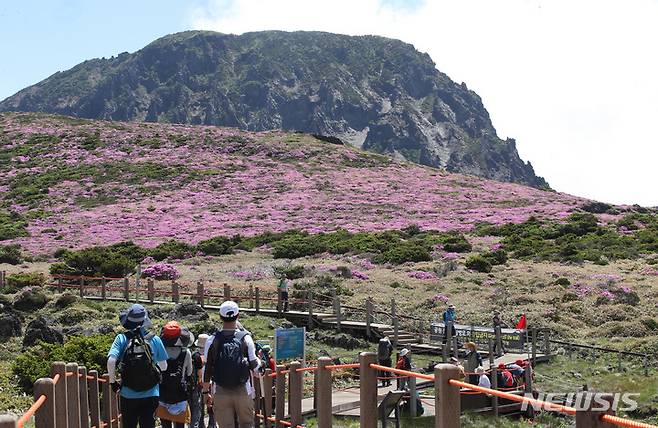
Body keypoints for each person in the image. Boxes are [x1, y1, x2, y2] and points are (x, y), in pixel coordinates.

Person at [107, 304, 168, 428]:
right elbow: (164, 366)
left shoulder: (122, 338)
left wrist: (113, 382)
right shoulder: (154, 339)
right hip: (151, 393)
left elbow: (111, 361)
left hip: (128, 394)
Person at [202, 300, 261, 428]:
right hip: (243, 389)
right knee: (247, 424)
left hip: (220, 390)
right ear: (238, 315)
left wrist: (205, 393)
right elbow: (255, 366)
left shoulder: (212, 340)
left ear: (220, 317)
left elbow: (206, 369)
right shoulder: (246, 338)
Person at [157, 321, 194, 428]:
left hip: (163, 394)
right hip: (180, 395)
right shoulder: (185, 352)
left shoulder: (160, 351)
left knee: (165, 425)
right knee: (180, 425)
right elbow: (189, 372)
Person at [189, 334, 211, 428]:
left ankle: (201, 424)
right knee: (211, 404)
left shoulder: (194, 355)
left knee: (198, 406)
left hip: (198, 383)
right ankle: (212, 424)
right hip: (210, 382)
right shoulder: (211, 354)